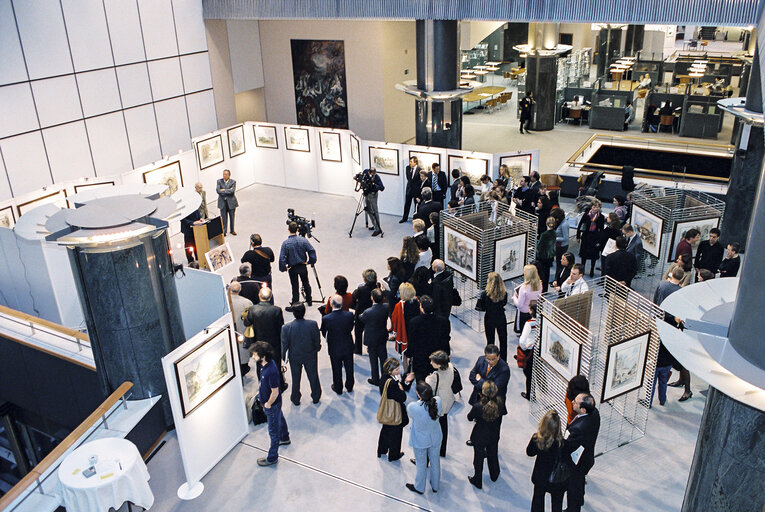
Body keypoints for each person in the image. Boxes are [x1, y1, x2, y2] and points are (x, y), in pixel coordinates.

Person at [654, 267, 692, 402]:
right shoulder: (681, 292)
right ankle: (665, 397)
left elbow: (654, 302)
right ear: (682, 278)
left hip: (659, 319)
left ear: (671, 274)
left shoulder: (661, 284)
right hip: (672, 324)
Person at [252, 341, 290, 466]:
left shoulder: (271, 370)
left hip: (272, 404)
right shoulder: (266, 365)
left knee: (273, 432)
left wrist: (268, 403)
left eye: (255, 355)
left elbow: (275, 391)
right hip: (275, 405)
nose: (253, 357)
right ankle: (285, 437)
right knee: (280, 417)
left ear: (263, 356)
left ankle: (272, 457)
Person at [563, 394, 601, 512]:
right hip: (587, 458)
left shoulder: (578, 429)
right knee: (579, 483)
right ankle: (580, 499)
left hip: (577, 464)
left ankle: (573, 508)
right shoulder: (595, 413)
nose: (573, 402)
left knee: (573, 488)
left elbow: (567, 447)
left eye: (575, 402)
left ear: (583, 409)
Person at [467, 380, 506, 489]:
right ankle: (494, 474)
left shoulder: (478, 406)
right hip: (494, 434)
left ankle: (477, 479)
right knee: (493, 454)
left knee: (478, 458)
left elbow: (469, 417)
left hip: (480, 436)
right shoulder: (500, 403)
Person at [281, 303, 322, 405]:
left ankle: (295, 398)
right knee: (313, 376)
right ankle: (316, 396)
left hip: (294, 356)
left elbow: (284, 344)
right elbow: (317, 339)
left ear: (293, 313)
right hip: (310, 355)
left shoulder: (286, 327)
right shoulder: (313, 324)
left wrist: (284, 358)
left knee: (296, 378)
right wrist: (317, 348)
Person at [406, 382, 442, 495]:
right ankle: (435, 486)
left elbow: (412, 416)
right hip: (436, 436)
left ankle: (420, 487)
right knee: (435, 461)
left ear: (418, 394)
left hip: (421, 439)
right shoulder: (438, 400)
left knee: (421, 464)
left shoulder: (413, 407)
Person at [526, 410, 566, 511]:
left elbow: (529, 452)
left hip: (540, 476)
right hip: (557, 478)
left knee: (538, 499)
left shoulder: (537, 439)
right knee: (557, 503)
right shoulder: (562, 443)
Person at [405, 296, 451, 381]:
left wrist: (409, 355)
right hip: (437, 356)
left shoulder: (414, 322)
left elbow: (411, 341)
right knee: (437, 379)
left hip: (420, 357)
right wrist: (447, 353)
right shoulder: (444, 321)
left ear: (422, 308)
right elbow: (445, 339)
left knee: (421, 381)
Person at [377, 358, 414, 462]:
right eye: (397, 369)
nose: (399, 370)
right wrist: (402, 389)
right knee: (396, 433)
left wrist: (405, 382)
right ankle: (394, 455)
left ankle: (382, 450)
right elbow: (402, 398)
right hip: (395, 411)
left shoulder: (384, 378)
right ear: (390, 370)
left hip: (387, 411)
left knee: (385, 429)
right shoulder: (393, 384)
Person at [320, 295, 355, 395]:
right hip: (348, 345)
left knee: (336, 369)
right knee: (349, 367)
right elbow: (351, 327)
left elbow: (323, 332)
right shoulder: (349, 315)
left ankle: (338, 387)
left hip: (334, 347)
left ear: (331, 304)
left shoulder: (326, 318)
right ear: (342, 304)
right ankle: (349, 386)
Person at [424, 351, 455, 457]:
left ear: (439, 364)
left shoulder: (434, 377)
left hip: (439, 402)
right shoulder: (450, 366)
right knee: (444, 425)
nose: (430, 363)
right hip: (448, 399)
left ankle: (430, 454)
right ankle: (442, 450)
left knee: (433, 429)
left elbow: (427, 384)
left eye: (432, 362)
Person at [279, 222, 317, 306]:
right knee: (306, 283)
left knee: (295, 286)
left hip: (292, 267)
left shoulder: (285, 243)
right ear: (297, 229)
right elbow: (311, 250)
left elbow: (282, 258)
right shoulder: (303, 240)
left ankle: (295, 303)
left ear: (288, 230)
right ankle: (309, 300)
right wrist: (311, 261)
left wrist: (283, 268)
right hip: (302, 266)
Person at [243, 287, 285, 364]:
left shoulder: (253, 309)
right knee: (275, 362)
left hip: (259, 341)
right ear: (271, 296)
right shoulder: (277, 310)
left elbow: (246, 323)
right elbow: (281, 327)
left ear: (259, 295)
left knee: (260, 363)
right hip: (274, 342)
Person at [359, 289, 390, 386]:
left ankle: (375, 379)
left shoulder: (368, 312)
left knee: (373, 359)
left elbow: (361, 318)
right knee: (383, 357)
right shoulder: (386, 307)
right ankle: (385, 378)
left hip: (372, 338)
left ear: (372, 298)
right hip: (382, 336)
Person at [478, 272, 508, 360]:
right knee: (503, 340)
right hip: (501, 318)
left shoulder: (485, 294)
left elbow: (482, 307)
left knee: (490, 341)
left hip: (489, 319)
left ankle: (490, 358)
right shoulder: (504, 294)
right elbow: (504, 303)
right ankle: (503, 360)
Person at [228, 281, 253, 375]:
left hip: (228, 332)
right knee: (242, 351)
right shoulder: (246, 302)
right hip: (242, 331)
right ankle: (243, 367)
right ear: (240, 290)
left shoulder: (225, 301)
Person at [390, 282, 420, 358]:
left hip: (404, 331)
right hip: (416, 329)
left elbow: (394, 319)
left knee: (405, 355)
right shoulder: (417, 300)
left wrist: (395, 331)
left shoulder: (399, 305)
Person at [576, 199, 605, 277]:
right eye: (594, 207)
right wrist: (578, 236)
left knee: (594, 255)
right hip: (586, 236)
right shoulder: (586, 215)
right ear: (591, 207)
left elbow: (601, 229)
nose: (596, 208)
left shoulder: (601, 217)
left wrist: (600, 240)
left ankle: (592, 269)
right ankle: (582, 269)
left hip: (595, 237)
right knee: (583, 255)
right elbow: (580, 225)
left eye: (597, 207)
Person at [513, 264, 543, 334]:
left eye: (524, 271)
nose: (523, 273)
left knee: (523, 331)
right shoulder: (540, 284)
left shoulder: (524, 288)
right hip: (533, 310)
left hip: (523, 312)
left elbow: (519, 305)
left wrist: (514, 297)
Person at [519, 301, 538, 400]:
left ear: (531, 310)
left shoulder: (529, 323)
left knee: (528, 373)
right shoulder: (543, 321)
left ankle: (529, 394)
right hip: (538, 350)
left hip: (529, 350)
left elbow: (522, 340)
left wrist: (524, 347)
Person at [362, 167, 385, 236]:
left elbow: (382, 187)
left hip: (373, 195)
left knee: (375, 211)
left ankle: (378, 229)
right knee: (368, 210)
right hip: (367, 194)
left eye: (374, 173)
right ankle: (375, 225)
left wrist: (374, 186)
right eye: (371, 173)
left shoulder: (377, 177)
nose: (373, 174)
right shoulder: (365, 172)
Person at [537, 217, 557, 291]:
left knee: (541, 273)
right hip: (550, 255)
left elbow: (539, 246)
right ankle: (545, 289)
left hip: (542, 256)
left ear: (546, 223)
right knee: (547, 272)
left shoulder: (544, 234)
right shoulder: (554, 233)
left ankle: (541, 289)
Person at [216, 169, 238, 235]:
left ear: (229, 175)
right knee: (223, 217)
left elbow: (232, 191)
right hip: (222, 202)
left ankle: (232, 230)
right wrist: (227, 190)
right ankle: (224, 231)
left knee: (232, 216)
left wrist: (223, 190)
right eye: (223, 174)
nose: (224, 176)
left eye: (226, 174)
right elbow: (218, 191)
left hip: (231, 202)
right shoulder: (219, 181)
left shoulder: (233, 182)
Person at [401, 156, 421, 223]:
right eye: (409, 161)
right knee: (407, 204)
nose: (410, 163)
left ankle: (415, 219)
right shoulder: (408, 168)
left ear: (415, 162)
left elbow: (419, 181)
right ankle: (404, 218)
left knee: (416, 205)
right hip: (409, 189)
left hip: (416, 190)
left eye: (411, 162)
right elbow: (408, 178)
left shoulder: (419, 169)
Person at [551, 208, 569, 278]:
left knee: (560, 264)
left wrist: (555, 238)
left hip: (562, 247)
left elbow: (566, 238)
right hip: (559, 245)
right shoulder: (561, 223)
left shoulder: (564, 224)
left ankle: (557, 279)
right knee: (558, 263)